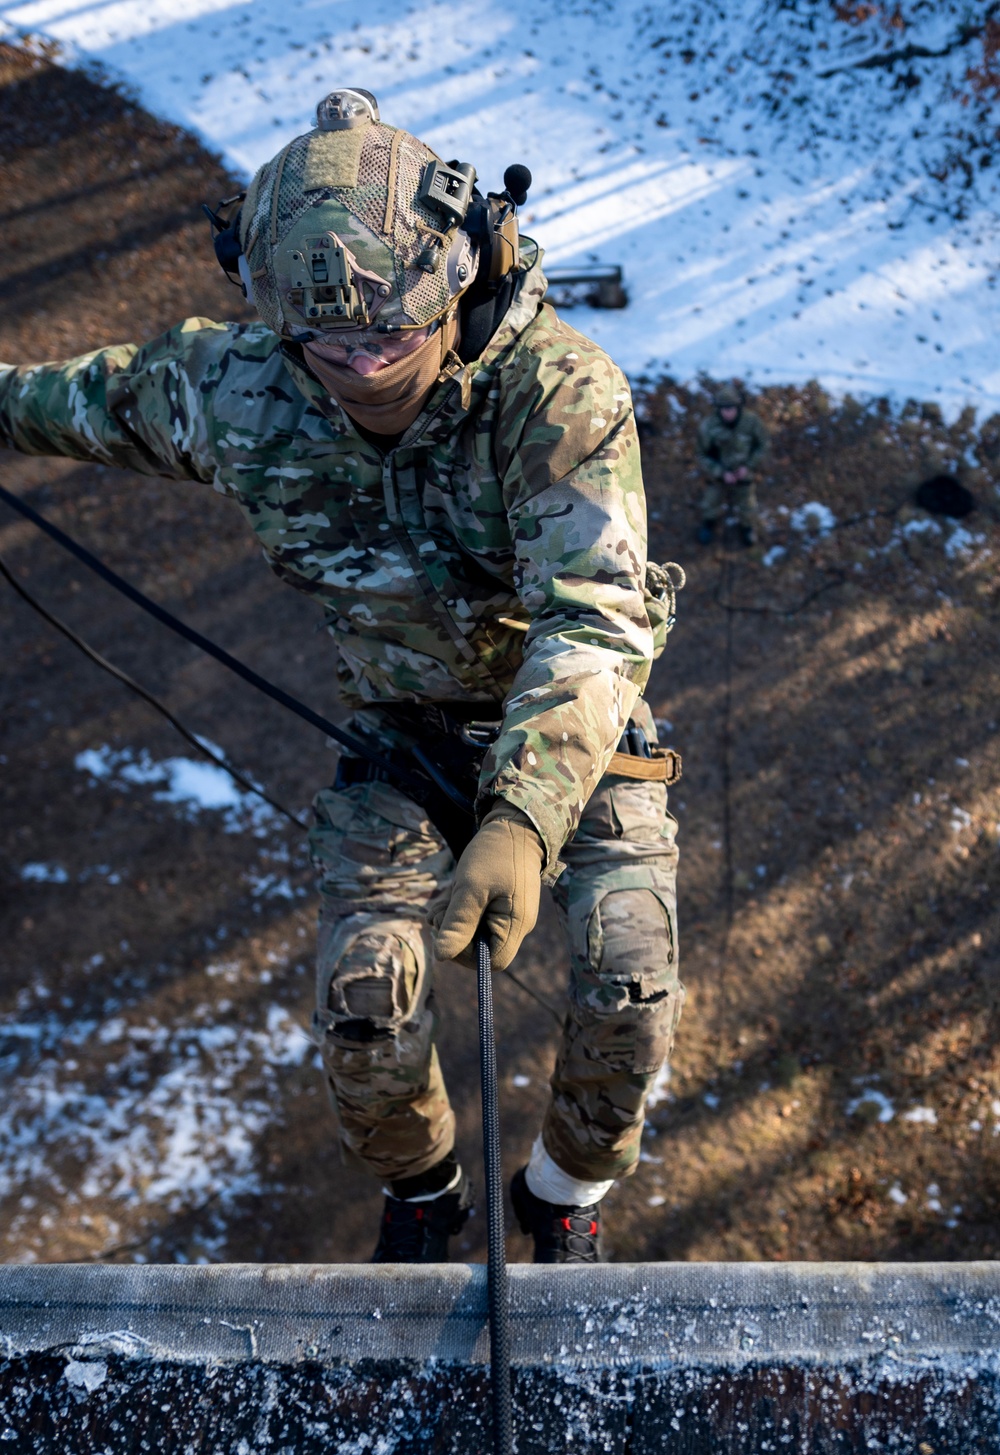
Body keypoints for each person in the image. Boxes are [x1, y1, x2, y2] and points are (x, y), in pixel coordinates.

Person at [0, 89, 686, 1265]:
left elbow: (596, 619)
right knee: (365, 1001)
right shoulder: (243, 392)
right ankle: (421, 1200)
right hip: (401, 736)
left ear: (455, 289)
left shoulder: (555, 395)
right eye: (333, 344)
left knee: (627, 980)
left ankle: (562, 1196)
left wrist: (522, 818)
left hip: (576, 729)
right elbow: (79, 401)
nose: (365, 365)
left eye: (393, 336)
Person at [697, 382, 769, 547]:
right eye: (724, 408)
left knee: (747, 505)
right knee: (710, 502)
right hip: (718, 474)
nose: (728, 412)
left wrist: (749, 466)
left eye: (731, 408)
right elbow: (701, 454)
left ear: (738, 407)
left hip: (744, 472)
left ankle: (747, 528)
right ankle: (708, 524)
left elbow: (763, 445)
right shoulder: (708, 426)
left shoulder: (751, 422)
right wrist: (720, 472)